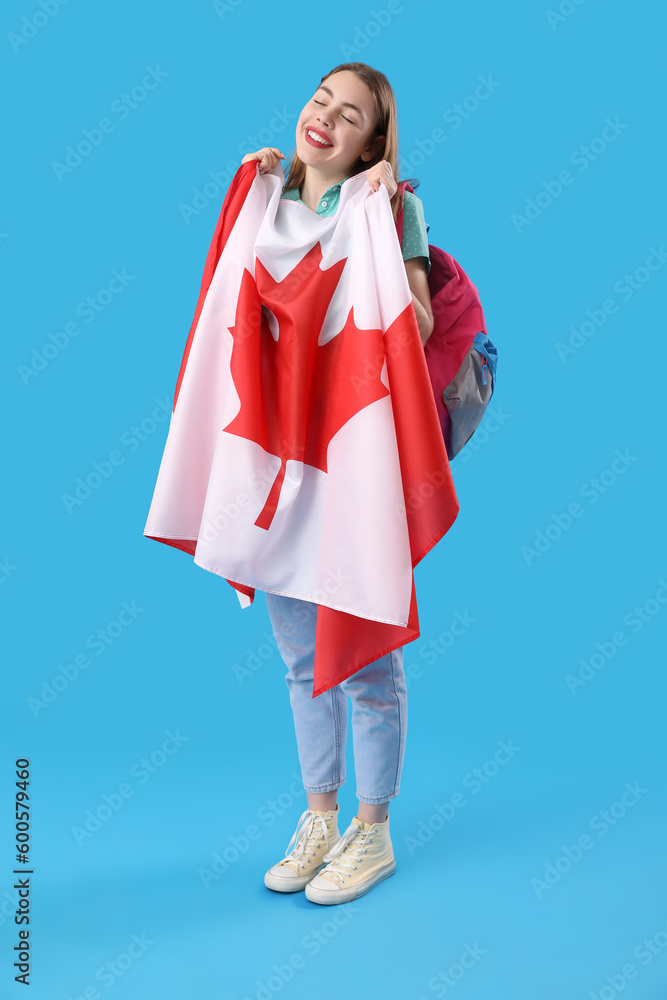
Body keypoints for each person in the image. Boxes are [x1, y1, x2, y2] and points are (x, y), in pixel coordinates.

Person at [241, 62, 434, 905]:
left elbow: (415, 326)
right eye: (320, 100)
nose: (324, 118)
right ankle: (319, 816)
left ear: (369, 148)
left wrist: (381, 224)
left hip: (354, 455)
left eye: (349, 116)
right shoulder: (266, 197)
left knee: (363, 654)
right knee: (296, 655)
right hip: (284, 459)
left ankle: (373, 830)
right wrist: (253, 202)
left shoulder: (389, 207)